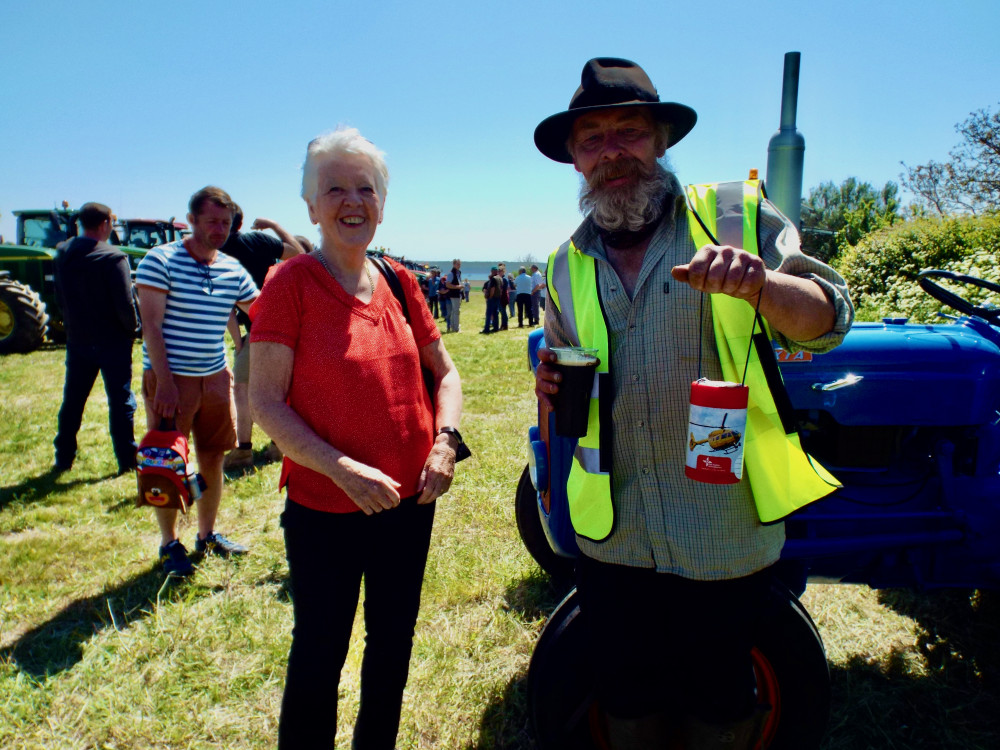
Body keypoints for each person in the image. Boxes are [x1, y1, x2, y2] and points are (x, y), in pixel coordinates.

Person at [532, 58, 853, 749]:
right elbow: (560, 379)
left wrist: (764, 286)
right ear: (574, 160)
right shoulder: (562, 265)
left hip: (721, 536)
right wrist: (550, 387)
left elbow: (831, 319)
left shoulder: (733, 216)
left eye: (629, 131)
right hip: (612, 538)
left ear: (662, 140)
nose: (611, 152)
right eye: (592, 140)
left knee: (719, 703)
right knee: (624, 697)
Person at [249, 126, 464, 750]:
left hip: (408, 503)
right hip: (325, 509)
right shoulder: (290, 286)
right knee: (319, 654)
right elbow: (264, 401)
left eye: (365, 188)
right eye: (334, 188)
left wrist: (445, 441)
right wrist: (341, 467)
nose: (352, 200)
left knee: (392, 648)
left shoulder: (400, 281)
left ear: (382, 201)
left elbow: (445, 372)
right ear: (311, 207)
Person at [135, 186, 259, 577]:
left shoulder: (232, 269)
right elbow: (151, 327)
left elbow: (261, 309)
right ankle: (169, 543)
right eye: (212, 222)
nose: (220, 229)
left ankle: (206, 535)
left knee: (213, 455)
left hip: (215, 377)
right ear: (191, 221)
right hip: (170, 378)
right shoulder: (161, 260)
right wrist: (166, 383)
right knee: (166, 460)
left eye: (226, 223)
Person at [52, 202, 140, 474]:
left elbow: (59, 296)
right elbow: (125, 305)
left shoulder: (62, 252)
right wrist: (134, 328)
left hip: (78, 339)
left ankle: (63, 457)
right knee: (120, 400)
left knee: (73, 400)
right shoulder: (113, 258)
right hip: (112, 341)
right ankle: (126, 460)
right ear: (105, 224)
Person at [219, 208, 305, 471]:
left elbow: (226, 307)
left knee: (242, 389)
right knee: (282, 388)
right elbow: (299, 252)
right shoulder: (256, 241)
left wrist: (238, 341)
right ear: (240, 222)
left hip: (256, 330)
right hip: (287, 324)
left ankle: (243, 450)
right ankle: (278, 445)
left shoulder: (215, 255)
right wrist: (274, 224)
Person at [480, 266, 503, 334]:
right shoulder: (500, 278)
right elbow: (501, 288)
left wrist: (489, 296)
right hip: (498, 297)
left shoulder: (493, 279)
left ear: (492, 271)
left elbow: (492, 289)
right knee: (496, 313)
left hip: (492, 298)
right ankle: (496, 328)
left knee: (489, 314)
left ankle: (486, 329)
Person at [445, 258, 463, 332]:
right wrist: (457, 287)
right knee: (456, 311)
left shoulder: (458, 273)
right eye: (457, 264)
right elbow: (447, 284)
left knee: (454, 311)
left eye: (459, 264)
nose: (459, 265)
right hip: (454, 294)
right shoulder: (451, 273)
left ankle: (454, 326)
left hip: (457, 294)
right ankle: (456, 328)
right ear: (454, 264)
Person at [496, 261, 510, 330]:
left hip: (503, 298)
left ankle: (505, 325)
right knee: (502, 311)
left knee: (503, 312)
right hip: (500, 297)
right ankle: (503, 325)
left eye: (500, 271)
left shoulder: (504, 279)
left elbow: (503, 289)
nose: (498, 272)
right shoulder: (500, 279)